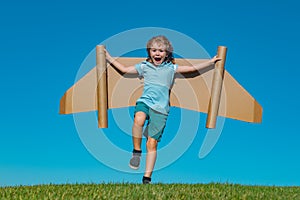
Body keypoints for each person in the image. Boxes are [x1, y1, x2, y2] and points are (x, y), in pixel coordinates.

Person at [105, 35, 221, 184]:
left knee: (152, 143)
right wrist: (108, 58)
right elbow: (124, 69)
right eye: (154, 50)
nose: (157, 53)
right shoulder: (144, 66)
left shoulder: (171, 68)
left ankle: (147, 177)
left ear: (167, 53)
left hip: (161, 110)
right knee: (138, 119)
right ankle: (136, 152)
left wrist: (211, 62)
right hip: (145, 102)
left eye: (161, 50)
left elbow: (191, 68)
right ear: (149, 52)